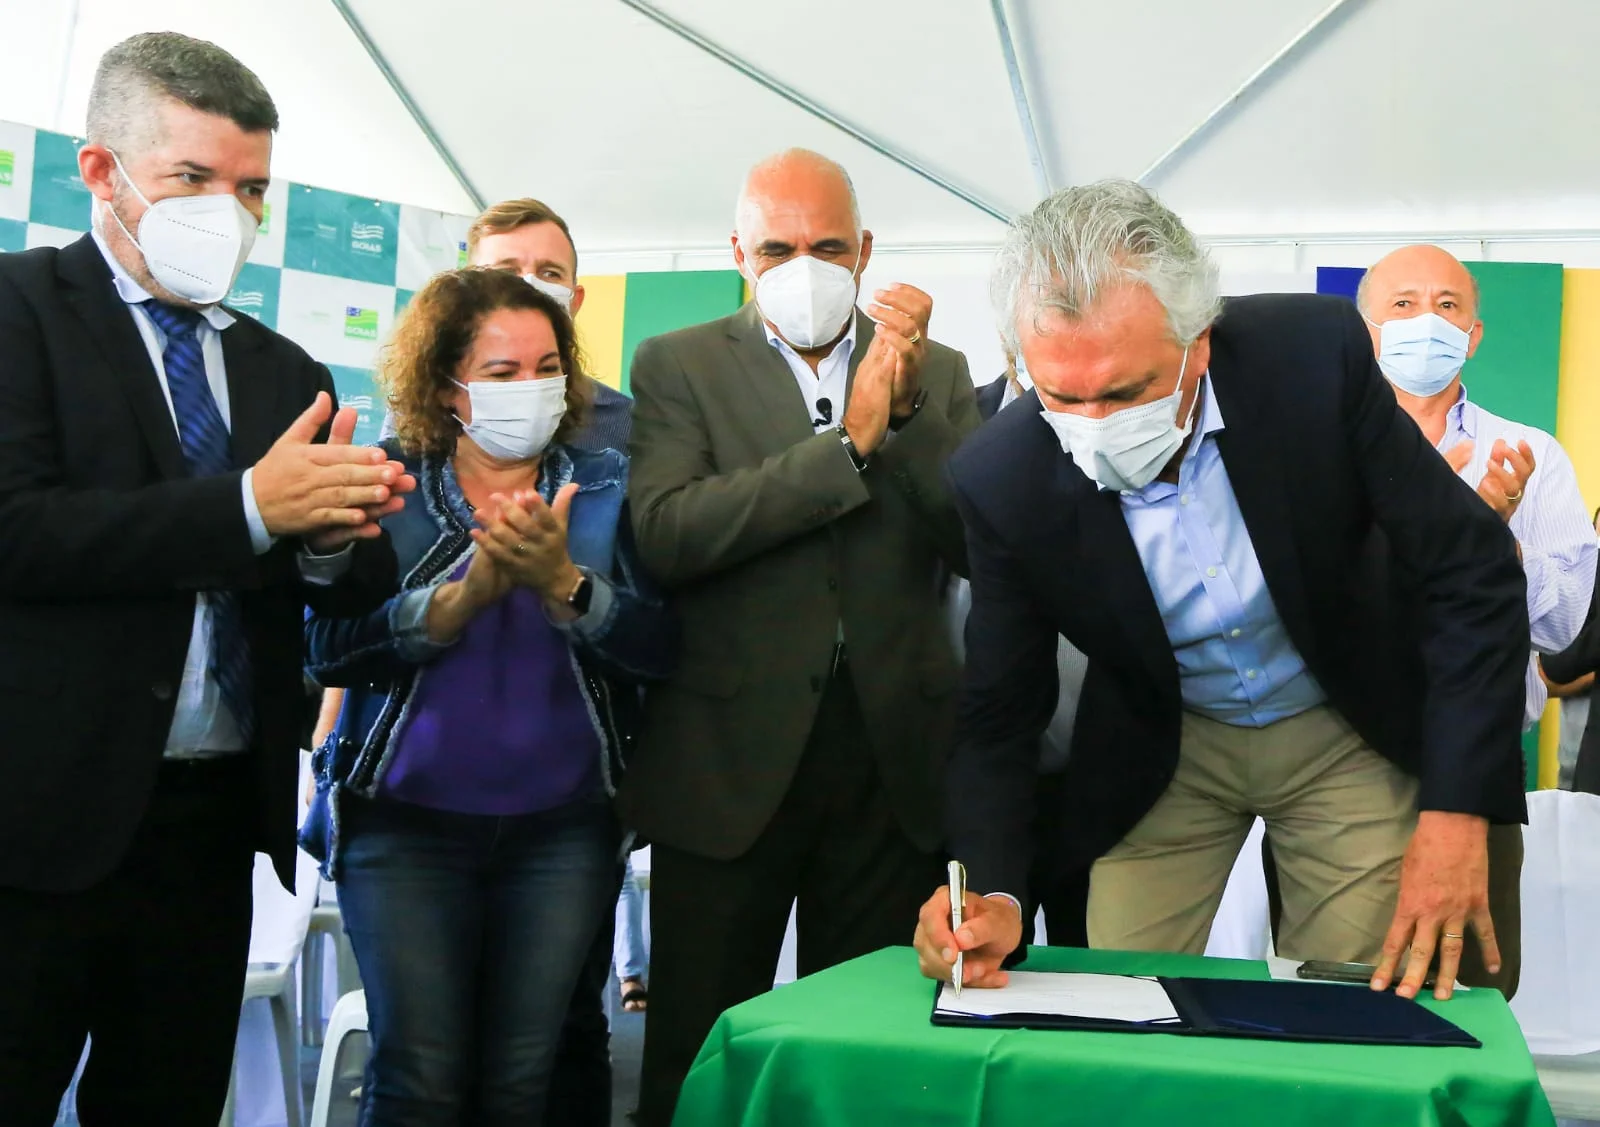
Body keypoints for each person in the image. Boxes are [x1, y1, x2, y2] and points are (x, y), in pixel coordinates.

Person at [915, 180, 1528, 1005]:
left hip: (1341, 719)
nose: (1093, 422)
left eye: (1126, 392)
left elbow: (1472, 572)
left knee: (1355, 1003)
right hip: (1163, 743)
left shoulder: (1309, 357)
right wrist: (989, 893)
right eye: (1062, 396)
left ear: (1196, 343)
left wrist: (1458, 815)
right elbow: (999, 708)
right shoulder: (1001, 476)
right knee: (1120, 1006)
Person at [0, 32, 409, 1125]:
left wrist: (331, 532)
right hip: (37, 821)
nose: (225, 212)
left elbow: (342, 582)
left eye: (252, 189)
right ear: (103, 172)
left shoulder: (283, 367)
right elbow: (19, 528)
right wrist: (249, 507)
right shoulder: (17, 311)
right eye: (193, 178)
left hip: (212, 824)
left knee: (171, 1100)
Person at [624, 148, 980, 1125]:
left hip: (888, 758)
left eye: (827, 245)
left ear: (865, 251)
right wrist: (846, 445)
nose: (805, 265)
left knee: (863, 1048)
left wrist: (901, 418)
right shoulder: (677, 363)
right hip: (725, 762)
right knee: (696, 1049)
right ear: (738, 251)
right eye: (777, 246)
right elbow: (667, 535)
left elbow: (973, 540)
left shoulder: (939, 370)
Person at [301, 267, 675, 1124]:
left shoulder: (611, 486)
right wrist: (453, 602)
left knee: (521, 1084)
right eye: (502, 374)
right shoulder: (383, 481)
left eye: (547, 367)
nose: (532, 389)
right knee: (418, 1081)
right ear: (444, 386)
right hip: (401, 829)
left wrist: (570, 589)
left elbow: (660, 649)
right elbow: (322, 651)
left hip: (564, 832)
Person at [945, 348, 1090, 948]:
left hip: (1106, 767)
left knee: (1103, 978)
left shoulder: (1138, 426)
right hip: (983, 761)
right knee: (987, 971)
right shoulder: (959, 434)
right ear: (1013, 345)